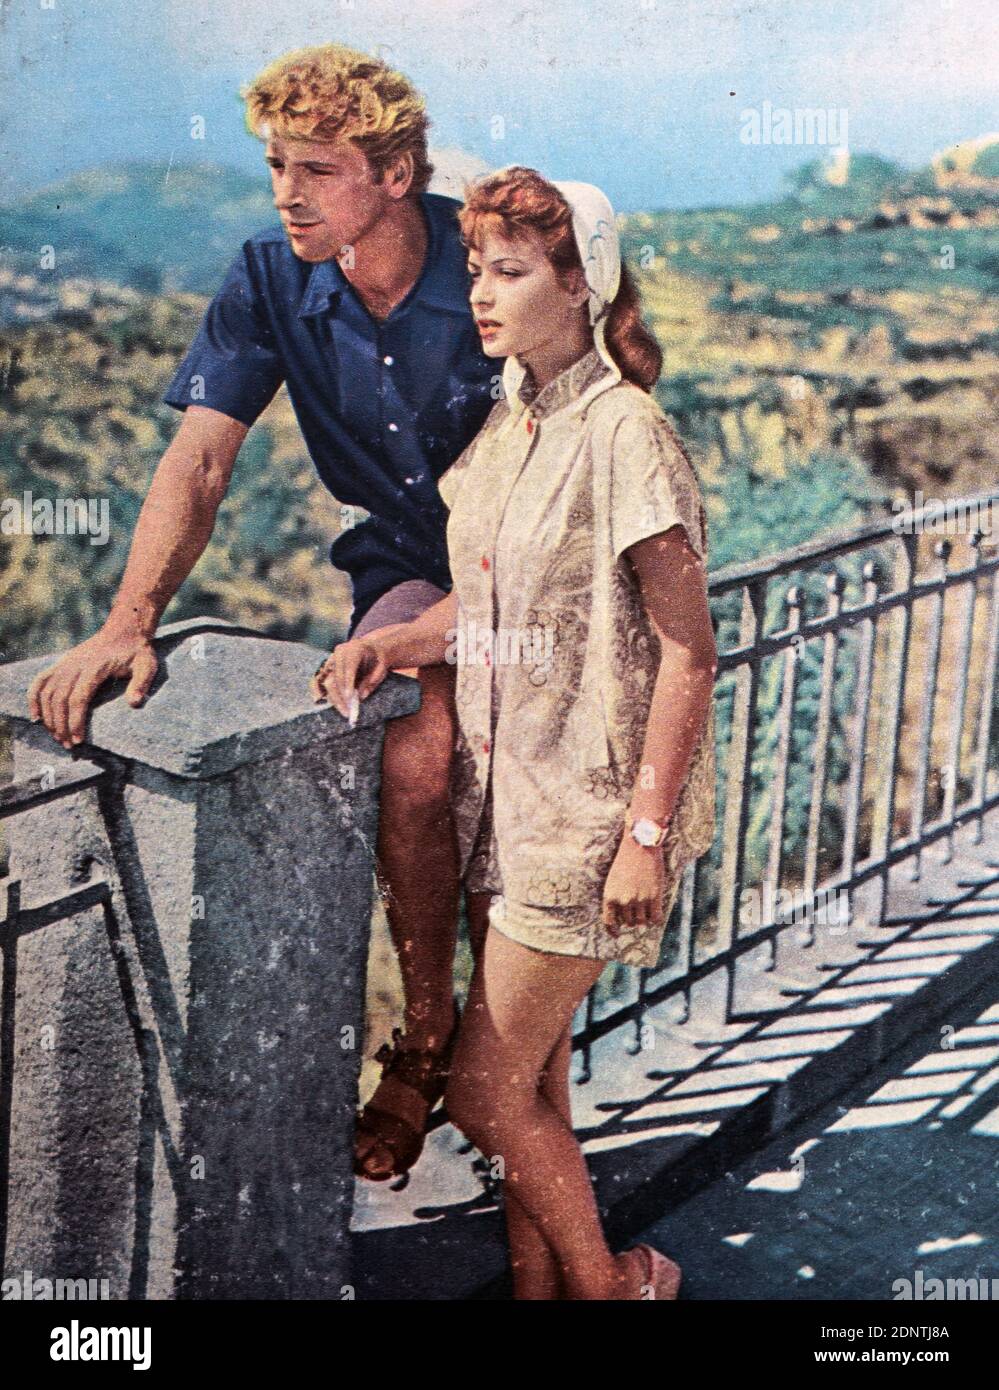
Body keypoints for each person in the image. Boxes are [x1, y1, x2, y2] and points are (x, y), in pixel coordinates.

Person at [25, 43, 497, 1182]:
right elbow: (199, 461)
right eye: (276, 165)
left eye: (317, 169)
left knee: (524, 820)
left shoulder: (485, 257)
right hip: (404, 566)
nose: (286, 192)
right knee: (417, 753)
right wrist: (128, 618)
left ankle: (513, 1065)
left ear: (392, 174)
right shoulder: (268, 276)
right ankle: (428, 1040)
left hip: (533, 560)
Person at [314, 166, 718, 1299]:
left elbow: (689, 647)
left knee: (487, 1094)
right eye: (475, 271)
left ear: (582, 283)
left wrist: (645, 830)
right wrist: (395, 645)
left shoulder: (625, 434)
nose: (481, 295)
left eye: (511, 272)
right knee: (535, 1085)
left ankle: (611, 1285)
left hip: (586, 821)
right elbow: (484, 604)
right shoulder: (512, 419)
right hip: (506, 801)